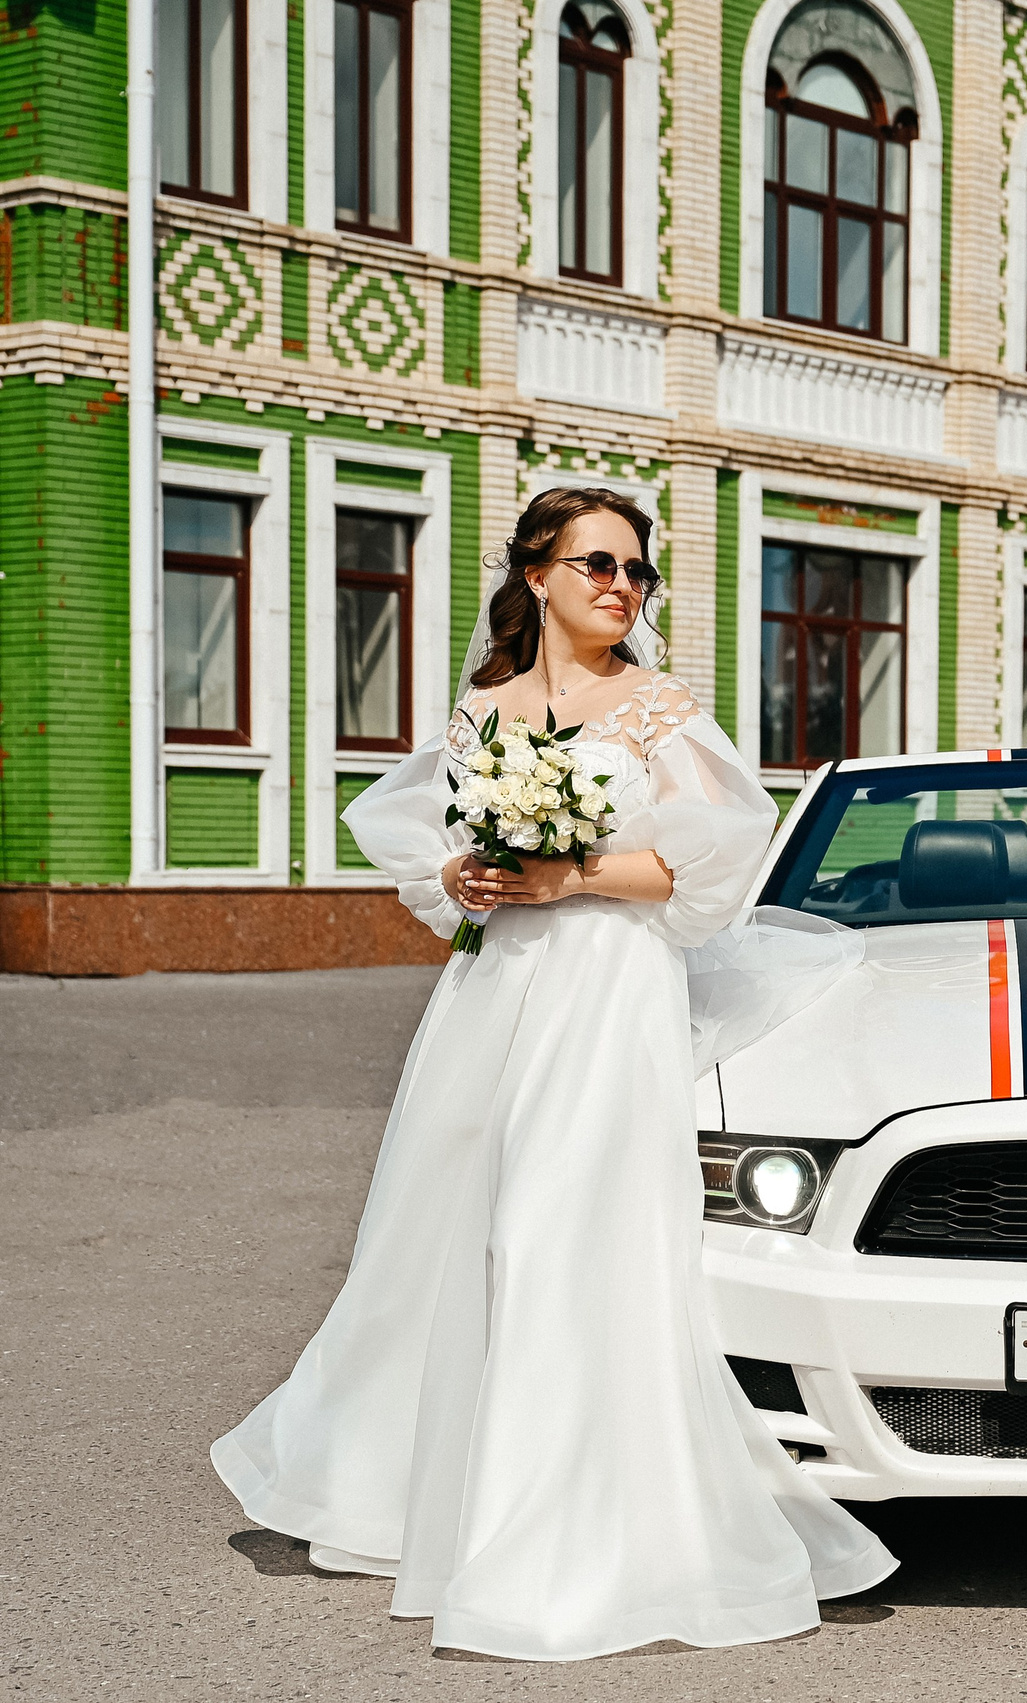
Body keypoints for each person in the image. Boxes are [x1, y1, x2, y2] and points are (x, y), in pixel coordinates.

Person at [211, 488, 895, 1658]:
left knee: (555, 1231)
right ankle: (428, 1491)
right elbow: (427, 840)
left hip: (605, 990)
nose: (621, 585)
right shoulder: (484, 709)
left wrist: (569, 874)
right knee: (448, 1230)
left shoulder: (660, 709)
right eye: (596, 564)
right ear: (535, 575)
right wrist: (469, 878)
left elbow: (710, 866)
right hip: (492, 998)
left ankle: (565, 1533)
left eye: (638, 569)